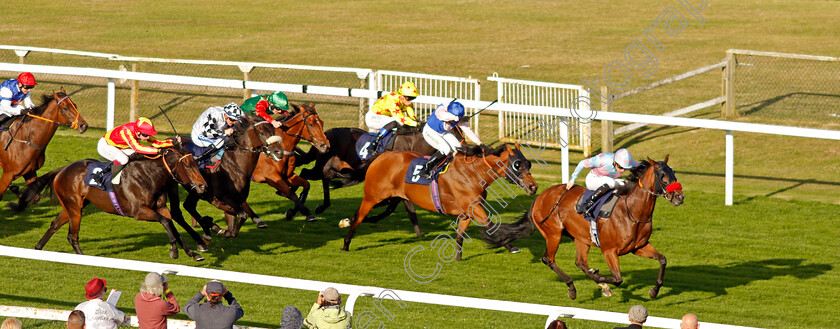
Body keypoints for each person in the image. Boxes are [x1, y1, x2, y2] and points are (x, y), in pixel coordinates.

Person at [96, 117, 174, 184]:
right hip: (105, 146)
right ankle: (103, 175)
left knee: (136, 156)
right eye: (145, 135)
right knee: (124, 159)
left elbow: (156, 142)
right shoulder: (126, 131)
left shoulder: (140, 131)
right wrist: (158, 151)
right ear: (137, 132)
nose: (147, 137)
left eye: (149, 135)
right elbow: (138, 148)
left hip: (119, 146)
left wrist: (173, 142)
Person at [418, 101, 483, 179]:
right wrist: (457, 118)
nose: (454, 122)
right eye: (454, 120)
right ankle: (425, 168)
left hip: (443, 132)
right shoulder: (442, 109)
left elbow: (468, 131)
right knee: (446, 149)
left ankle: (453, 169)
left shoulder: (458, 119)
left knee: (458, 147)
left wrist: (479, 143)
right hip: (429, 132)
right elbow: (441, 116)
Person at [565, 148, 639, 212]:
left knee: (628, 184)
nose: (622, 170)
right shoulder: (602, 160)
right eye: (620, 167)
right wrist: (572, 180)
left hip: (607, 181)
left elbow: (641, 165)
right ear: (615, 162)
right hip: (592, 179)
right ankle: (588, 204)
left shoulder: (626, 163)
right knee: (611, 182)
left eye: (625, 168)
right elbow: (582, 163)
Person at [365, 81, 419, 152]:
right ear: (401, 96)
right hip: (373, 117)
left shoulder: (407, 103)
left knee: (403, 124)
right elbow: (400, 118)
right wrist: (414, 124)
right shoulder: (392, 99)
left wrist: (417, 123)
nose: (410, 101)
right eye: (409, 98)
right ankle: (373, 144)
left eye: (413, 98)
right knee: (395, 122)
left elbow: (412, 117)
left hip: (385, 117)